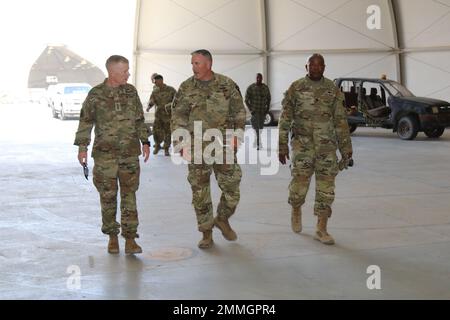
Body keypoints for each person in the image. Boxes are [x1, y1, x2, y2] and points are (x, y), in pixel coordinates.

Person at [74, 55, 150, 254]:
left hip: (129, 155)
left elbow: (140, 119)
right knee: (108, 197)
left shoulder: (131, 92)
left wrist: (145, 141)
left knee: (129, 196)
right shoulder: (95, 94)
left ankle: (131, 239)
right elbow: (85, 122)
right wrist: (82, 147)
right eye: (124, 71)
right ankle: (112, 237)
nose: (128, 74)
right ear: (112, 72)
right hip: (105, 156)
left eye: (128, 70)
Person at [171, 49, 246, 249]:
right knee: (200, 192)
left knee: (232, 187)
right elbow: (178, 116)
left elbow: (239, 112)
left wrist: (237, 136)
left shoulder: (226, 85)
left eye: (197, 63)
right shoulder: (186, 87)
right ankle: (206, 233)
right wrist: (181, 143)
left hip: (223, 146)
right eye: (192, 63)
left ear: (209, 64)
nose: (193, 67)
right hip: (196, 148)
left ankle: (222, 218)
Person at [278, 53, 353, 245]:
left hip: (327, 148)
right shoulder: (296, 88)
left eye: (320, 66)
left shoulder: (332, 90)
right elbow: (285, 119)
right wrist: (282, 146)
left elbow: (340, 121)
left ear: (324, 68)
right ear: (307, 67)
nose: (316, 68)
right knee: (299, 186)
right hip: (302, 147)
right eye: (313, 65)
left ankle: (322, 227)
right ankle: (296, 209)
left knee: (326, 189)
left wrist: (346, 149)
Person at [146, 74, 176, 156]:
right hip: (158, 115)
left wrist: (170, 106)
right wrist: (148, 107)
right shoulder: (155, 91)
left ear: (161, 80)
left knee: (167, 132)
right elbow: (152, 100)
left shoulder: (171, 90)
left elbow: (176, 100)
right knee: (156, 131)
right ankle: (157, 146)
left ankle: (166, 148)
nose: (155, 83)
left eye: (156, 81)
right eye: (154, 82)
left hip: (168, 115)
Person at [245, 73, 271, 150]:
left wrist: (267, 108)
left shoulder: (265, 88)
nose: (259, 79)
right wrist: (250, 109)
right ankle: (258, 143)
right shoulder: (251, 88)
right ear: (255, 78)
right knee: (256, 128)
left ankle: (256, 140)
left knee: (261, 127)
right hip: (254, 112)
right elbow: (246, 100)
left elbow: (269, 98)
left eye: (260, 78)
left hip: (262, 111)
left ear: (262, 78)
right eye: (257, 78)